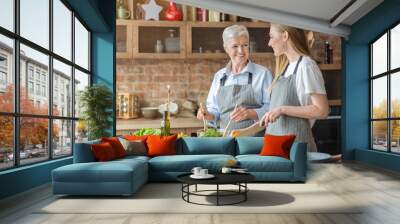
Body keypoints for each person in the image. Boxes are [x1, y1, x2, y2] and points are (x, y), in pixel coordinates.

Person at [232, 24, 329, 151]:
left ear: (285, 36)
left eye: (271, 37)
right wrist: (244, 132)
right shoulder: (286, 68)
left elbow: (322, 111)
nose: (269, 43)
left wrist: (282, 109)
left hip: (296, 149)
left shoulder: (306, 66)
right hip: (277, 149)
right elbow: (273, 117)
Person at [197, 25, 273, 136]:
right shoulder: (220, 76)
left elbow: (272, 109)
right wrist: (208, 115)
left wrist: (250, 113)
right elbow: (214, 111)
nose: (241, 51)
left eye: (245, 45)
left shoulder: (263, 74)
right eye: (235, 46)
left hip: (254, 141)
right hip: (225, 140)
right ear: (226, 48)